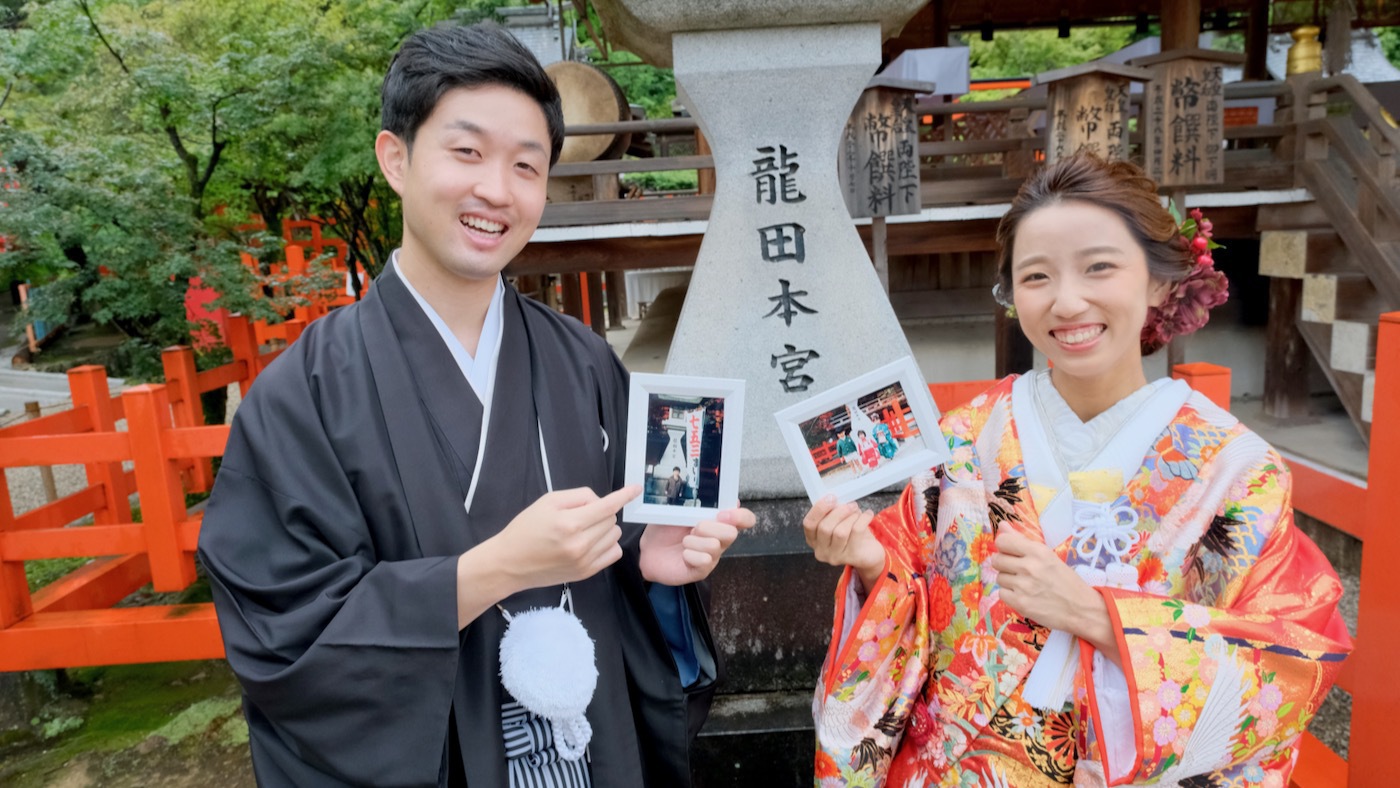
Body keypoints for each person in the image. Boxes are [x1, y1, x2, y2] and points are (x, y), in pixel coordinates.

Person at [198, 23, 754, 788]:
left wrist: (652, 570)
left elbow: (630, 565)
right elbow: (284, 637)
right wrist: (487, 572)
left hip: (590, 754)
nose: (497, 189)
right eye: (467, 152)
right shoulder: (304, 394)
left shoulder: (582, 360)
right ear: (395, 159)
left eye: (526, 166)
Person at [802, 154, 1351, 787]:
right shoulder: (964, 440)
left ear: (1160, 281)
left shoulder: (1237, 470)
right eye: (1036, 277)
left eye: (1099, 267)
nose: (1067, 301)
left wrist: (1096, 614)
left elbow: (1280, 664)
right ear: (1014, 296)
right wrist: (872, 564)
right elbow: (914, 594)